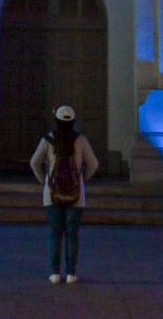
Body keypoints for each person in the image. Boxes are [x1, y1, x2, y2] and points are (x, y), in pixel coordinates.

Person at [30, 104, 99, 284]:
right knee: (72, 234)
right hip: (76, 195)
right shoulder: (81, 140)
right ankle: (71, 274)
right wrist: (82, 179)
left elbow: (34, 163)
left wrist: (44, 180)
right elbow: (94, 164)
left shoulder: (48, 140)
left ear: (57, 121)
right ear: (73, 121)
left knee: (55, 232)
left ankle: (54, 273)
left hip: (52, 193)